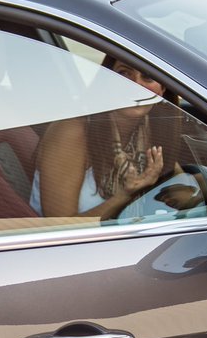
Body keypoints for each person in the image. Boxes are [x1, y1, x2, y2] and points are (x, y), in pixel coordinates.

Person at [30, 57, 185, 220]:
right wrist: (125, 195)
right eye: (123, 74)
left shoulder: (148, 133)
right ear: (106, 81)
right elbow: (60, 229)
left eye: (147, 77)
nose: (135, 85)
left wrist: (206, 185)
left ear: (161, 90)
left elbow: (181, 184)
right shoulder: (72, 130)